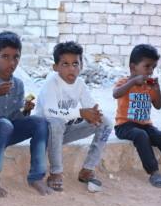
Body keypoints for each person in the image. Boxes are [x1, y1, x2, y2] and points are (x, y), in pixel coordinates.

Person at [0, 31, 51, 197]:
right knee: (3, 124)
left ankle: (36, 177)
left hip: (8, 132)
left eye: (16, 57)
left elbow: (14, 117)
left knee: (40, 122)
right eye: (5, 57)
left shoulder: (17, 84)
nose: (11, 62)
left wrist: (26, 111)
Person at [36, 41, 112, 192]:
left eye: (75, 64)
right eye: (65, 64)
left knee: (105, 122)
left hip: (64, 132)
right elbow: (50, 112)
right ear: (55, 67)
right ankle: (56, 173)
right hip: (45, 134)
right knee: (56, 122)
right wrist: (81, 113)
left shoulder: (80, 84)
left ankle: (87, 169)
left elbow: (90, 107)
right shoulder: (51, 83)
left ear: (81, 66)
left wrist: (94, 114)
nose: (71, 68)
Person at [113, 44, 161, 188]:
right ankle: (154, 172)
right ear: (133, 67)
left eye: (153, 67)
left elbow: (158, 105)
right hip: (124, 126)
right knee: (140, 135)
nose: (150, 71)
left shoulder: (148, 86)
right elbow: (116, 94)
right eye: (147, 66)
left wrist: (157, 89)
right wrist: (132, 82)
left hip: (146, 125)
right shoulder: (124, 82)